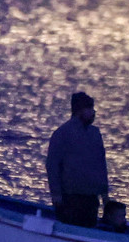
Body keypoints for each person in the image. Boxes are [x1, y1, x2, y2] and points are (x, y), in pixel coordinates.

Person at [45, 91, 109, 227]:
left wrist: (104, 194)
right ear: (79, 110)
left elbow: (101, 165)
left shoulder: (95, 134)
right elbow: (52, 165)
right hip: (70, 198)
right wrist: (56, 194)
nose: (93, 112)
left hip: (91, 198)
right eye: (89, 109)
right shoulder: (62, 133)